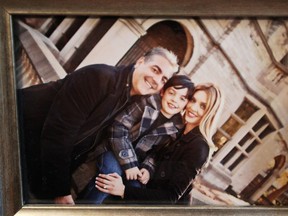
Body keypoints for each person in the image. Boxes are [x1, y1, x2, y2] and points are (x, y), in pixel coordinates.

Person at [17, 47, 179, 204]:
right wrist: (60, 190)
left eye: (164, 79)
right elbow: (59, 132)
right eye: (155, 70)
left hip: (37, 159)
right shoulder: (99, 78)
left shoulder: (134, 102)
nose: (157, 80)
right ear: (140, 61)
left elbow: (87, 141)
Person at [94, 83, 224, 204]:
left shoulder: (199, 147)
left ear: (210, 113)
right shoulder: (178, 129)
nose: (193, 107)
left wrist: (123, 191)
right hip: (144, 190)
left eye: (202, 106)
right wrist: (148, 169)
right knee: (110, 175)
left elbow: (170, 197)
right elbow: (156, 153)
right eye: (193, 100)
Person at [79, 75, 194, 204]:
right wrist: (129, 163)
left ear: (186, 104)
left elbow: (157, 153)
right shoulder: (146, 103)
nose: (174, 100)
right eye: (171, 93)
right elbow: (118, 127)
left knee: (136, 188)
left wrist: (148, 168)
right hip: (114, 148)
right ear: (162, 92)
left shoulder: (176, 127)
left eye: (182, 98)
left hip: (138, 163)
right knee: (112, 174)